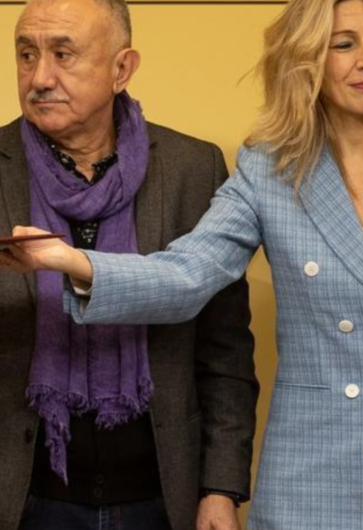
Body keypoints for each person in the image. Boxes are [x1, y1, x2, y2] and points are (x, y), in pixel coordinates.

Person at [0, 0, 363, 528]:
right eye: (343, 44)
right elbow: (188, 274)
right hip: (316, 476)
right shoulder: (268, 171)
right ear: (306, 59)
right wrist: (73, 262)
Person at [0, 0, 257, 529]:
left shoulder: (193, 167)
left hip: (163, 494)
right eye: (26, 54)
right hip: (22, 497)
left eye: (63, 54)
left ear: (122, 68)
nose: (39, 76)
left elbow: (225, 350)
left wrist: (220, 489)